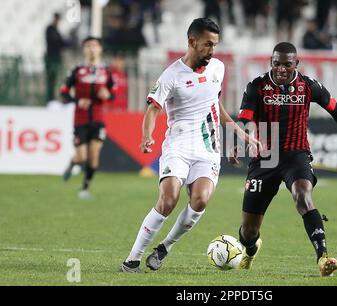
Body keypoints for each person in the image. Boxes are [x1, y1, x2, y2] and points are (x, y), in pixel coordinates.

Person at [121, 18, 259, 273]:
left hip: (208, 149)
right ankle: (132, 259)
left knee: (200, 200)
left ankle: (164, 248)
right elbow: (153, 109)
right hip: (178, 146)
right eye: (207, 44)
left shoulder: (217, 68)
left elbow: (214, 105)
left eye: (215, 45)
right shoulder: (171, 75)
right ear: (192, 42)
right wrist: (146, 136)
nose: (212, 51)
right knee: (168, 199)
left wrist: (240, 133)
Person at [229, 42, 337, 277]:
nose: (281, 69)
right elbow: (244, 119)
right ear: (271, 62)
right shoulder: (256, 87)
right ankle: (250, 248)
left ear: (296, 64)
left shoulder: (308, 87)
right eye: (276, 63)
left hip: (296, 155)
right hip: (265, 159)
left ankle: (323, 257)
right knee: (248, 231)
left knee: (303, 196)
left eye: (287, 65)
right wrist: (236, 145)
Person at [60, 37, 116, 199]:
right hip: (80, 120)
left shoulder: (106, 71)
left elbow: (114, 93)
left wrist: (108, 95)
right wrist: (77, 100)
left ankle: (84, 188)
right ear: (84, 50)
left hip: (98, 120)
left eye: (95, 46)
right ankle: (73, 163)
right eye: (88, 46)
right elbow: (63, 92)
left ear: (100, 49)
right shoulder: (76, 70)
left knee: (93, 158)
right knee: (81, 157)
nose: (92, 49)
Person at [45, 13, 66, 102]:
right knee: (50, 79)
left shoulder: (57, 30)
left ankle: (53, 98)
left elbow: (61, 43)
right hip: (51, 57)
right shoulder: (50, 29)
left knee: (55, 79)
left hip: (56, 57)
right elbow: (57, 42)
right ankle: (49, 98)